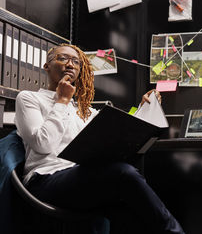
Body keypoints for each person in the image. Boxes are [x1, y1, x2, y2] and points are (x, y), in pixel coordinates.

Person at [14, 43, 185, 234]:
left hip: (80, 178)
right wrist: (61, 101)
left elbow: (121, 132)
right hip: (45, 181)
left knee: (126, 209)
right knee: (124, 173)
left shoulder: (82, 110)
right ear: (47, 66)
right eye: (63, 58)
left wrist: (144, 108)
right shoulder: (29, 98)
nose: (70, 64)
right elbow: (42, 144)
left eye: (76, 62)